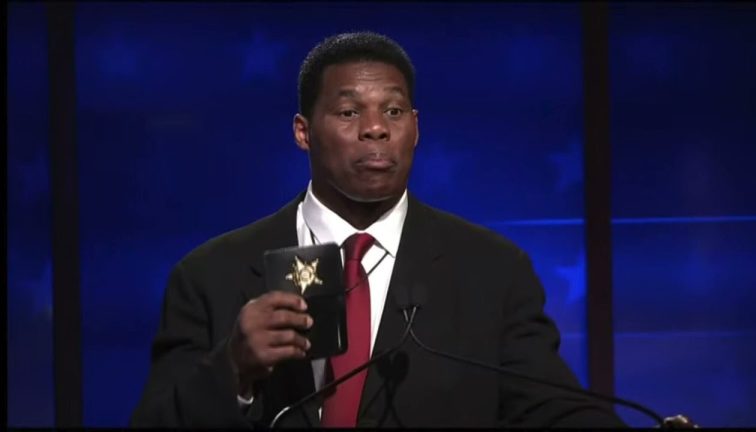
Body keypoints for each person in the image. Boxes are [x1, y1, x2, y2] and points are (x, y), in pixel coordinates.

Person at [131, 31, 626, 428]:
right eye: (349, 112)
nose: (375, 128)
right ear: (303, 132)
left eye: (393, 111)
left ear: (416, 127)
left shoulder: (493, 271)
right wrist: (234, 368)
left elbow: (554, 410)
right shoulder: (209, 275)